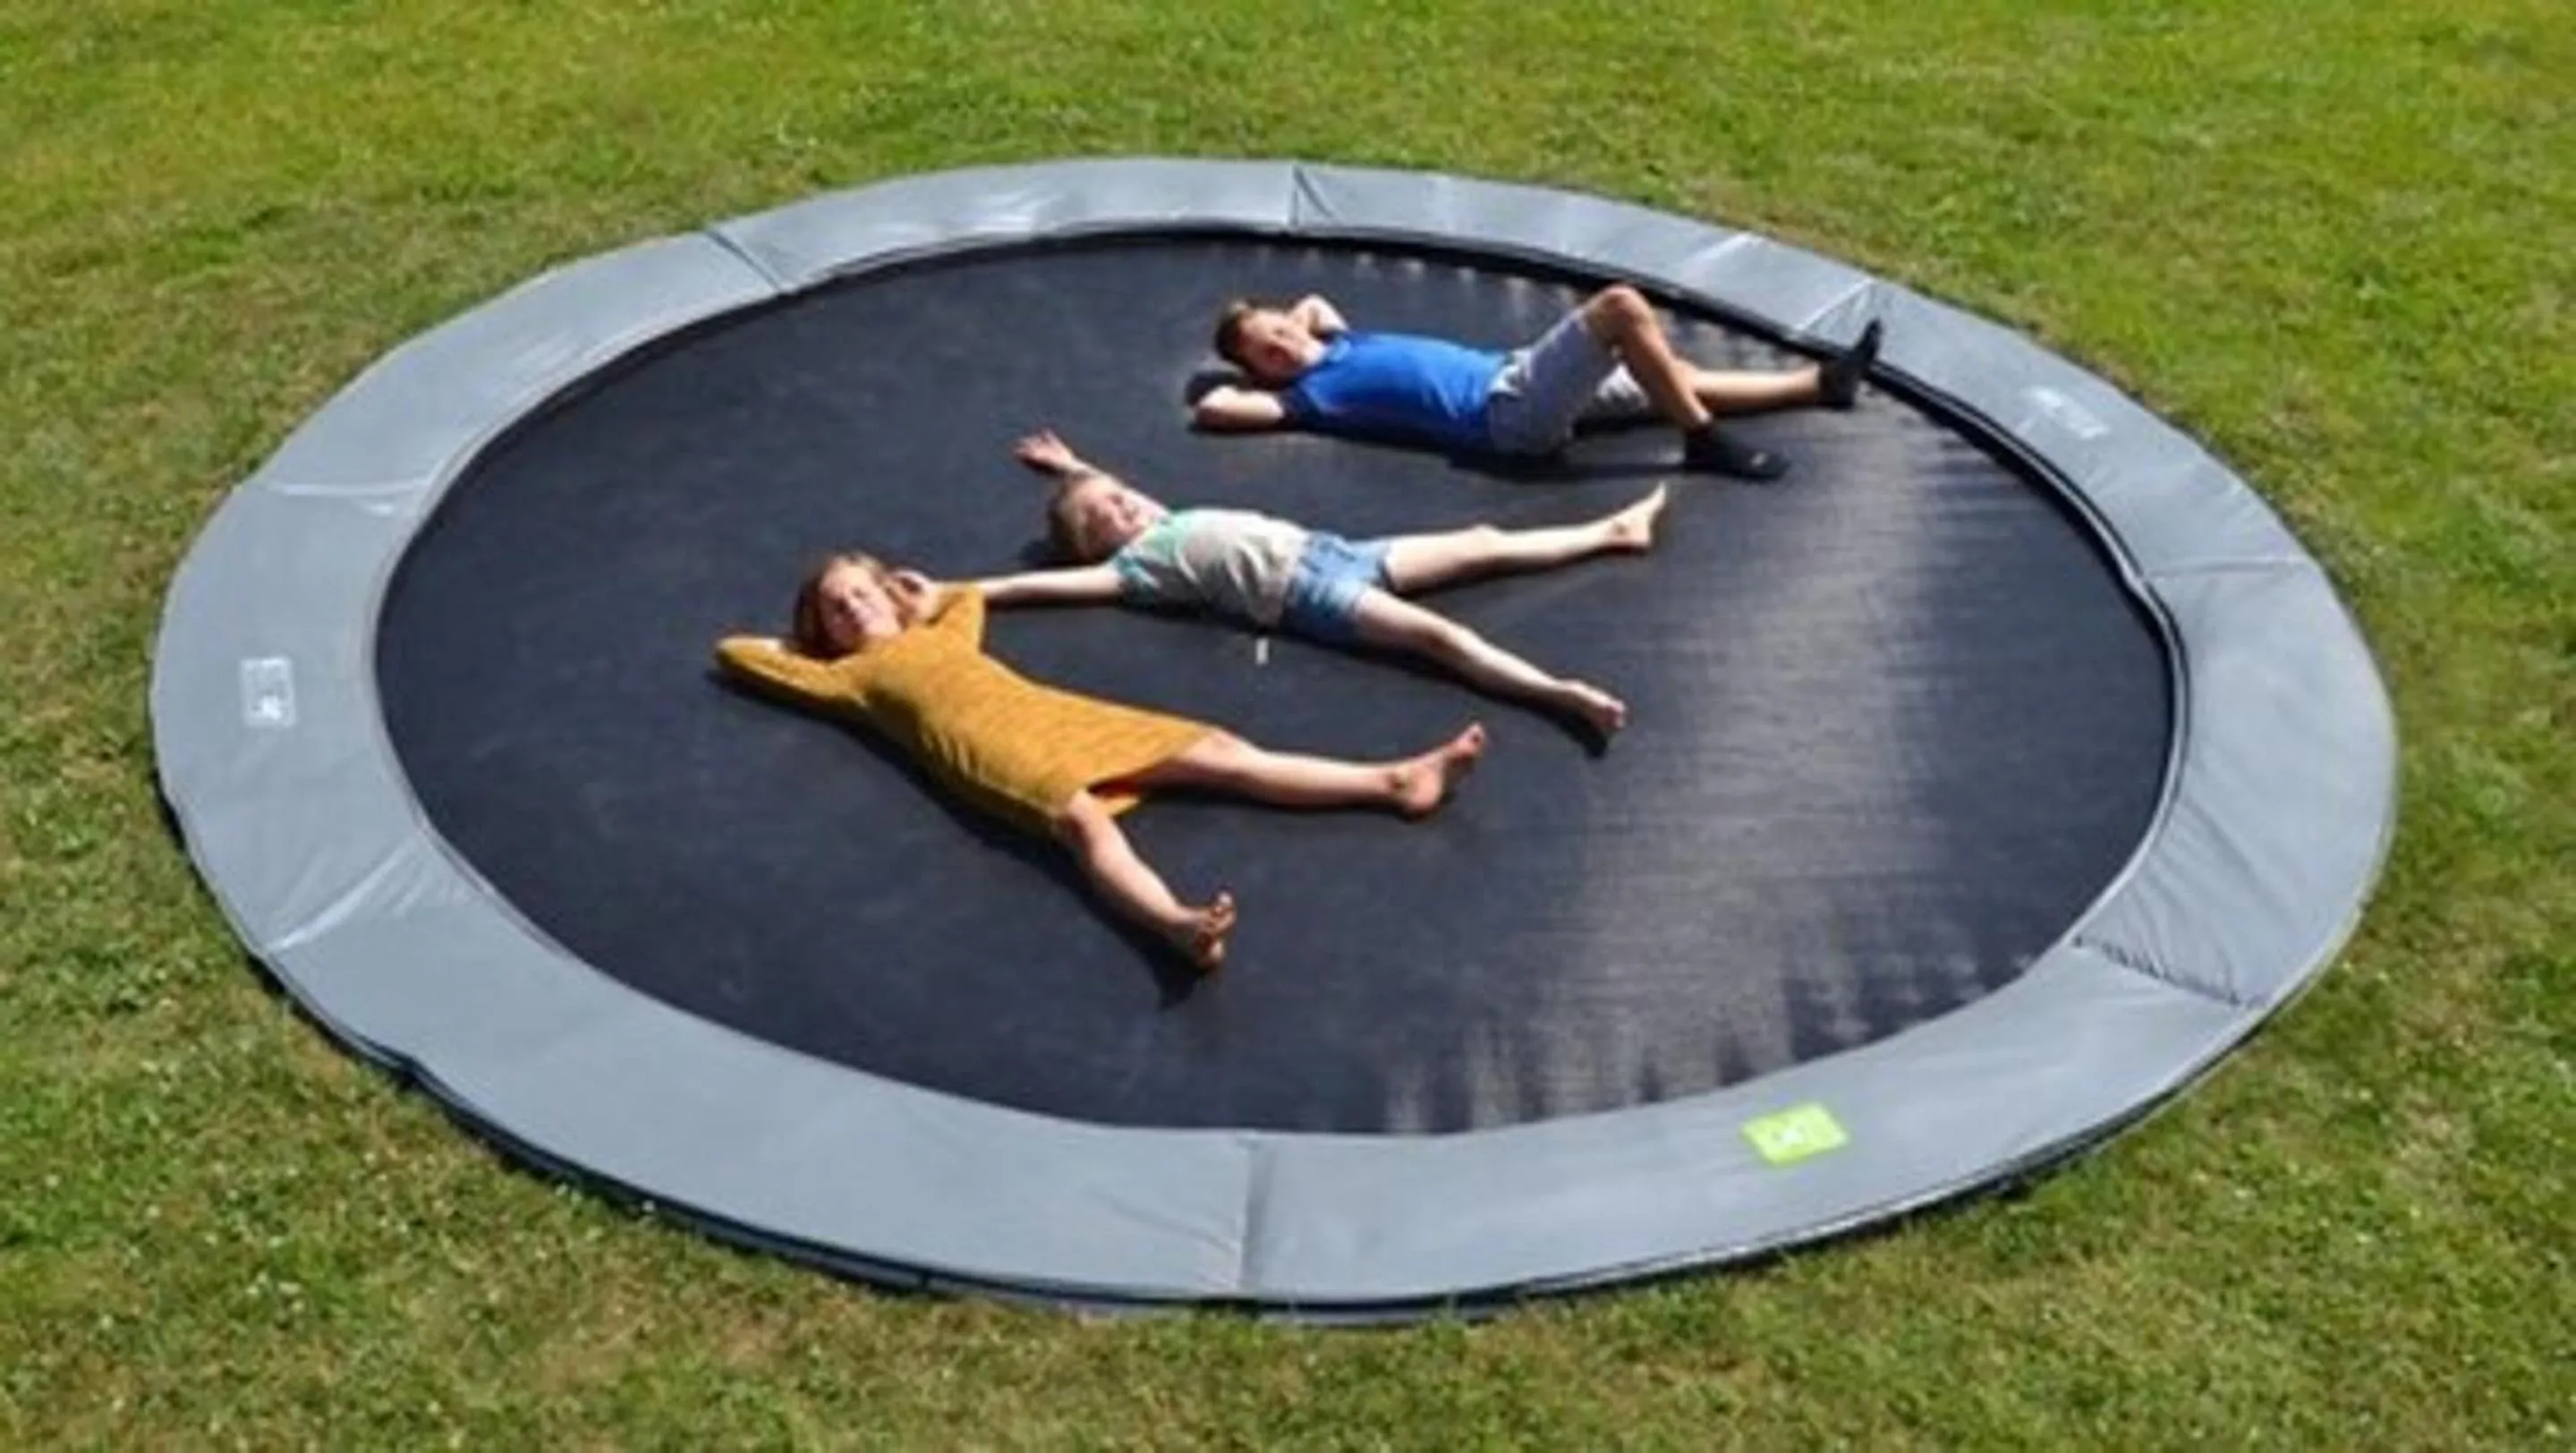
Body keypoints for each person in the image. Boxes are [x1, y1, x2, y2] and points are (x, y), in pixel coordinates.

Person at [717, 554, 1486, 974]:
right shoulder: (846, 678)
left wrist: (926, 593)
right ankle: (1176, 925)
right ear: (823, 634)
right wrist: (803, 644)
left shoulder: (939, 633)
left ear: (888, 594)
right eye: (836, 607)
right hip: (991, 750)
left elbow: (965, 601)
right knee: (1085, 825)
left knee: (1218, 749)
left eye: (861, 592)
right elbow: (738, 653)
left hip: (1061, 714)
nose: (854, 607)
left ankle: (1392, 781)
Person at [976, 430, 1663, 742]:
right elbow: (1043, 589)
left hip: (1337, 552)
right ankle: (1559, 693)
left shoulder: (1163, 519)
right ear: (1097, 543)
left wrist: (1070, 467)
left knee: (1482, 541)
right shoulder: (1134, 568)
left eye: (1120, 494)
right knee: (1441, 638)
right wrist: (963, 590)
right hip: (1310, 598)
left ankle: (1611, 532)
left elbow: (1107, 488)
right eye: (1107, 513)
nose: (1125, 503)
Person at [1193, 286, 1884, 481]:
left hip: (1513, 372)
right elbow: (1218, 409)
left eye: (1277, 330)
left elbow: (1313, 304)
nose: (1282, 345)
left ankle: (1818, 385)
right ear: (1260, 373)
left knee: (1671, 376)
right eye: (1267, 353)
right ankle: (1702, 440)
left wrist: (1290, 328)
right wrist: (1259, 373)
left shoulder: (1338, 340)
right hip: (1507, 414)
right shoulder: (1308, 397)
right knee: (1620, 309)